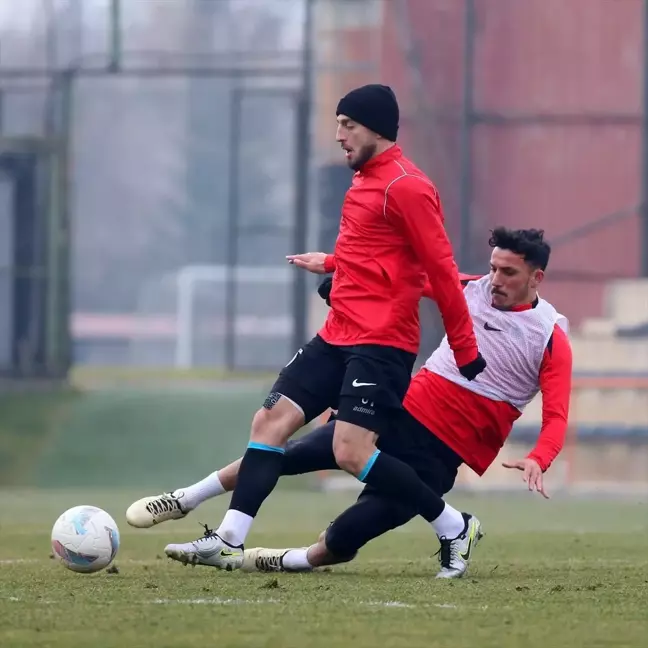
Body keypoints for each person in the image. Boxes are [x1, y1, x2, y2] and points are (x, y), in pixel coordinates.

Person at [127, 83, 486, 571]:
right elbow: (378, 253)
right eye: (338, 123)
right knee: (268, 423)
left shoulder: (409, 186)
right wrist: (335, 263)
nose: (338, 134)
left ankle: (452, 525)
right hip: (336, 334)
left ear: (376, 129)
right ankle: (228, 540)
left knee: (351, 452)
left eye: (348, 125)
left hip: (381, 345)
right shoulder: (363, 180)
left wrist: (464, 348)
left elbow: (439, 271)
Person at [127, 228, 571, 579]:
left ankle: (277, 560)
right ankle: (185, 499)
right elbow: (396, 273)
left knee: (338, 542)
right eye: (493, 268)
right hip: (398, 416)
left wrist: (539, 456)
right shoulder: (469, 289)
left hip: (440, 456)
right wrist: (335, 265)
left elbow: (556, 416)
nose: (495, 280)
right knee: (281, 454)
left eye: (509, 273)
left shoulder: (549, 335)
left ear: (536, 278)